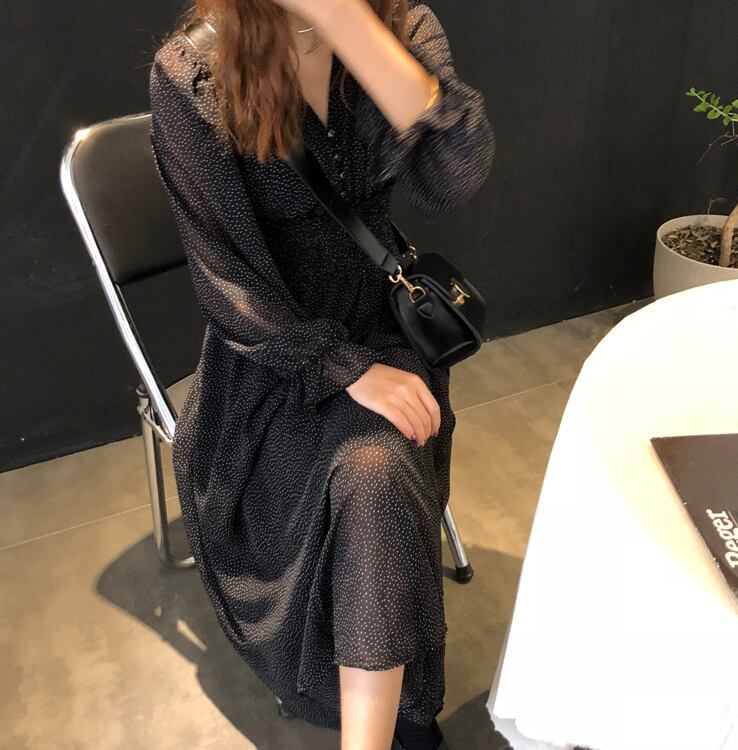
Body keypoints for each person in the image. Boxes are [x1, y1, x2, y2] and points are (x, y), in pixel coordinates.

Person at [148, 0, 495, 748]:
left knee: (376, 469)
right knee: (374, 471)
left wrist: (343, 20)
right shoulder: (196, 69)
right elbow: (225, 283)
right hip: (272, 360)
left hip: (384, 330)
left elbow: (452, 177)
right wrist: (341, 368)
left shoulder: (399, 26)